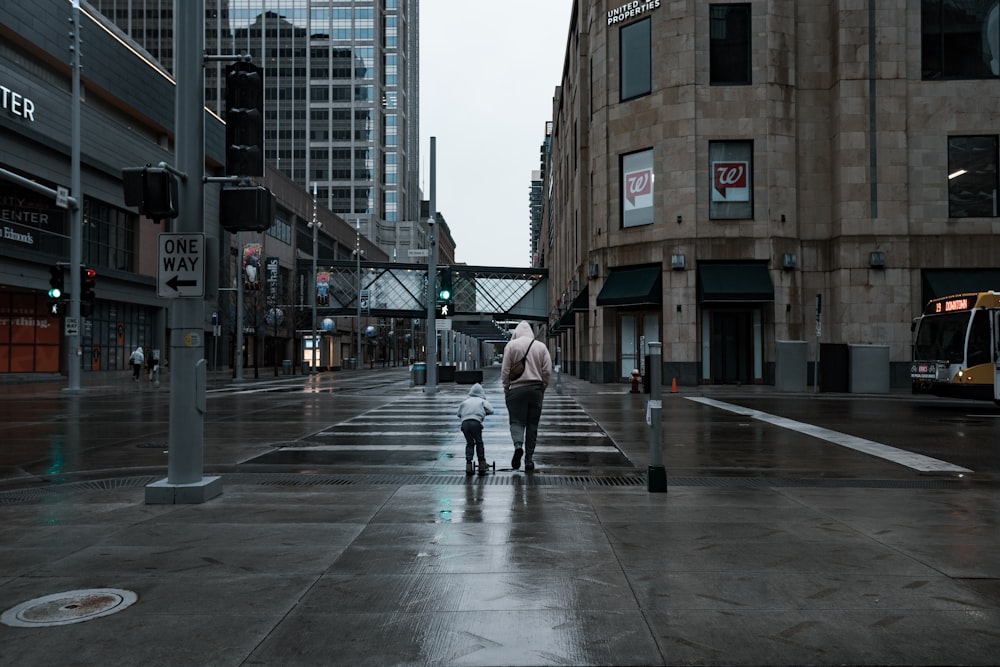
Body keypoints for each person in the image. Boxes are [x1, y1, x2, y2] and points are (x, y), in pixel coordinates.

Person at [501, 321, 552, 471]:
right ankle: (529, 460)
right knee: (532, 425)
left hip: (516, 390)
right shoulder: (541, 347)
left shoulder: (511, 346)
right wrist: (543, 387)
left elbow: (505, 371)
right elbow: (547, 371)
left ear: (516, 333)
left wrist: (506, 390)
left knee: (516, 421)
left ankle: (518, 445)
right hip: (535, 389)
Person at [457, 382, 494, 476]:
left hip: (465, 424)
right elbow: (491, 410)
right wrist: (483, 413)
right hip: (476, 423)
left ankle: (468, 464)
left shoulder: (465, 401)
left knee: (469, 443)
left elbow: (458, 414)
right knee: (479, 442)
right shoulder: (482, 401)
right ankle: (482, 463)